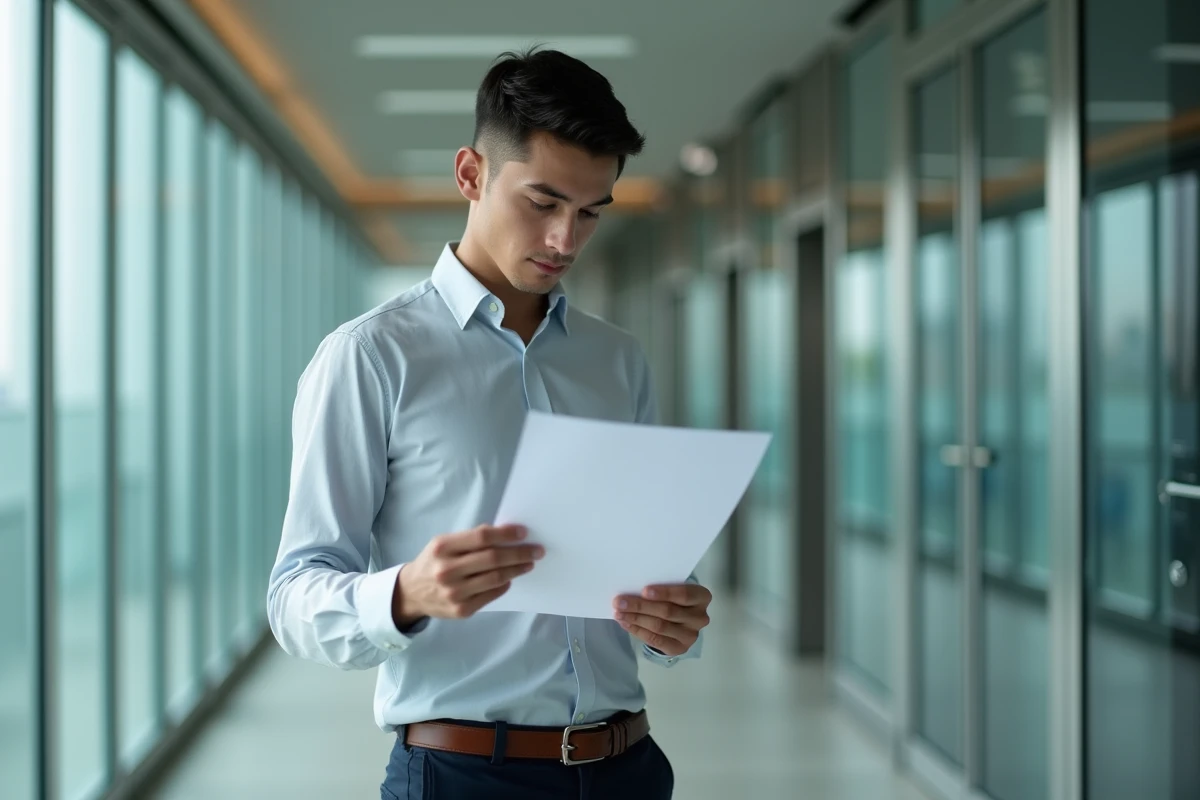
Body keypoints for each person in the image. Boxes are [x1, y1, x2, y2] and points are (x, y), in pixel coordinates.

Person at [267, 47, 713, 800]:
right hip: (460, 775)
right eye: (542, 204)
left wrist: (673, 619)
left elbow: (651, 568)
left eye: (589, 213)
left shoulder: (618, 361)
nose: (565, 241)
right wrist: (406, 591)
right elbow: (294, 596)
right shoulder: (370, 358)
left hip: (629, 769)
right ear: (472, 175)